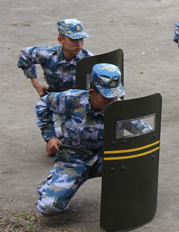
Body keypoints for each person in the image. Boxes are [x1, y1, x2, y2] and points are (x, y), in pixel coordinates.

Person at [36, 64, 125, 215]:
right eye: (106, 97)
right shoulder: (72, 99)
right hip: (73, 159)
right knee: (49, 207)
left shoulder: (118, 107)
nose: (112, 101)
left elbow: (143, 133)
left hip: (104, 158)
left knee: (130, 164)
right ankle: (51, 186)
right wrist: (50, 136)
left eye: (115, 95)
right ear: (92, 93)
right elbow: (43, 103)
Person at [18, 19, 93, 98]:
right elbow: (25, 54)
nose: (79, 44)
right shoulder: (48, 54)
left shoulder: (88, 60)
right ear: (61, 40)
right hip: (54, 101)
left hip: (79, 104)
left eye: (81, 39)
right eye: (73, 40)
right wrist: (36, 84)